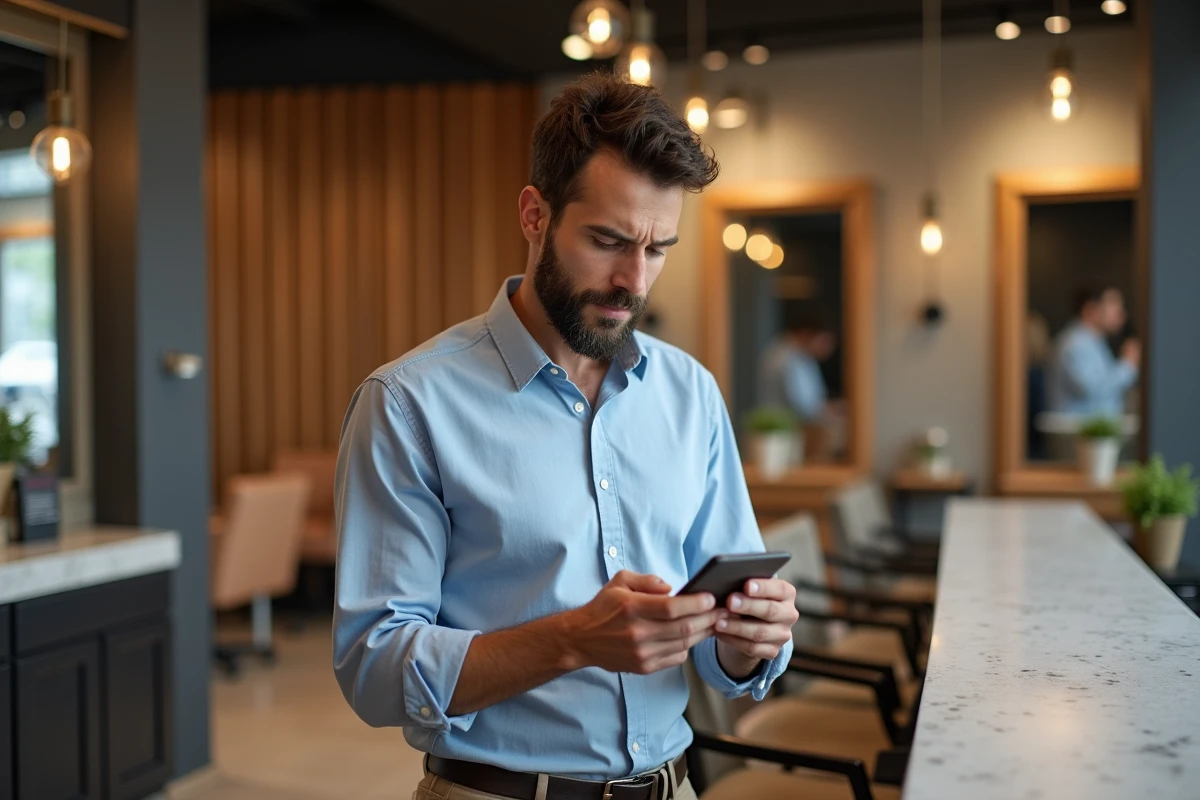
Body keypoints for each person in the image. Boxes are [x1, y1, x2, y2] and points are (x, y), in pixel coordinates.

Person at [333, 72, 797, 800]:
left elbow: (723, 652)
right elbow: (373, 669)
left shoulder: (692, 394)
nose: (633, 282)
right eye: (608, 241)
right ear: (534, 215)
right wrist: (574, 639)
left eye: (658, 249)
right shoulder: (408, 404)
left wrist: (747, 642)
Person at [1047, 282, 1141, 417]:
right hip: (1079, 434)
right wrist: (1127, 365)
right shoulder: (1076, 344)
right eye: (1114, 305)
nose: (1121, 313)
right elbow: (1090, 390)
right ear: (1090, 309)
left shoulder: (1094, 342)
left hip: (1091, 433)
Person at [758, 316, 838, 422]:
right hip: (785, 424)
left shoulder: (803, 357)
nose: (827, 349)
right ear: (806, 334)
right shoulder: (787, 358)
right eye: (823, 341)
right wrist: (827, 411)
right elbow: (801, 404)